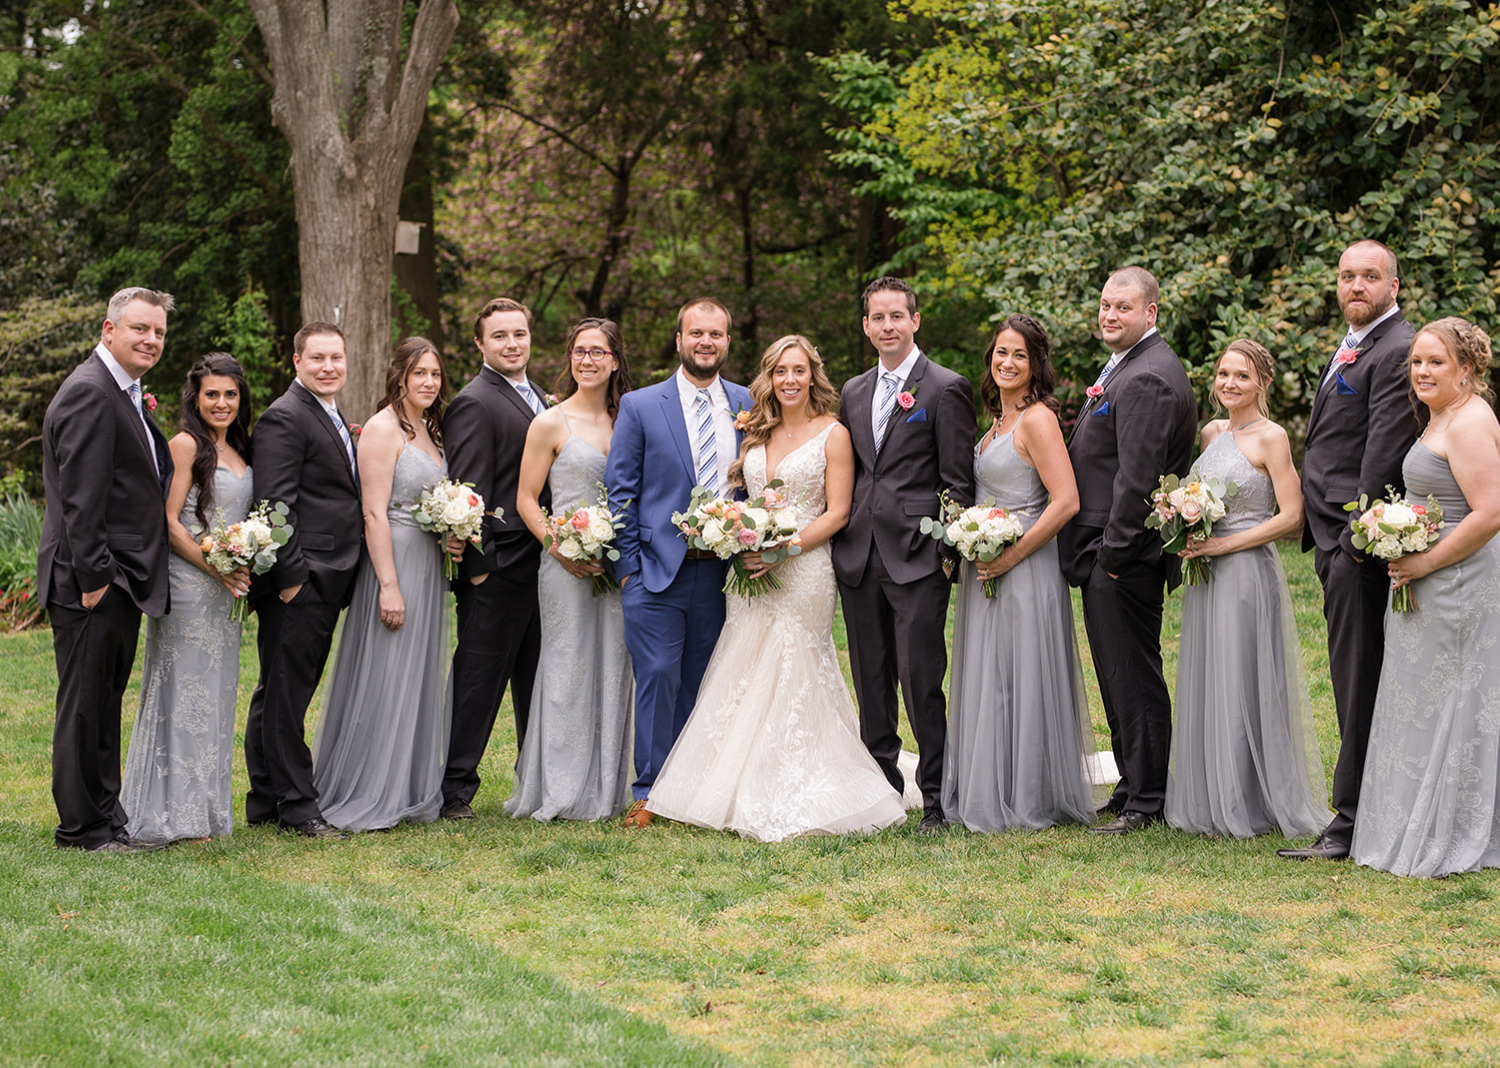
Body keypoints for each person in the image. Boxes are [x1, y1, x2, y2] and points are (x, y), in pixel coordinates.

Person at [647, 336, 906, 840]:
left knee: (793, 665)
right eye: (781, 371)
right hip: (749, 568)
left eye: (799, 371)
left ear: (813, 376)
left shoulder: (832, 433)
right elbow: (748, 498)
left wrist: (782, 549)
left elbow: (837, 512)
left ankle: (799, 781)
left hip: (804, 569)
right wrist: (736, 532)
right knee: (745, 663)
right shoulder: (755, 433)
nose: (790, 380)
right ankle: (732, 784)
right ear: (769, 377)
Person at [1279, 240, 1419, 862]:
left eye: (1369, 276)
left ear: (1395, 285)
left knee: (1358, 679)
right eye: (1346, 276)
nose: (1355, 286)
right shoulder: (1357, 343)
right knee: (1351, 677)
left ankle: (1352, 818)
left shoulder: (1396, 349)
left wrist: (1353, 545)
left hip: (1355, 542)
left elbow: (1383, 451)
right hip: (1335, 536)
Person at [1351, 318, 1500, 877]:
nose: (1422, 371)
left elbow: (1490, 512)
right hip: (1429, 580)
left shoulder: (1468, 423)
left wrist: (1425, 561)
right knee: (1426, 699)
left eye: (1436, 362)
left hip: (1459, 584)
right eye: (1416, 361)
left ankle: (1455, 831)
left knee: (1454, 700)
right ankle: (1421, 818)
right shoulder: (1444, 414)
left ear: (1466, 368)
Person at [1166, 340, 1329, 839]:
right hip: (1208, 576)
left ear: (1262, 382)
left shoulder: (1273, 437)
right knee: (1212, 675)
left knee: (1243, 676)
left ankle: (1247, 799)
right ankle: (1213, 791)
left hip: (1246, 572)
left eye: (1241, 375)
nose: (1229, 383)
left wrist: (1226, 545)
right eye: (1222, 374)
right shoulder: (1212, 431)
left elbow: (1293, 516)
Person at [831, 277, 976, 833]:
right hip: (860, 555)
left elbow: (958, 482)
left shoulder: (945, 387)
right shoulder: (854, 390)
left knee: (920, 680)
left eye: (898, 316)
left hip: (918, 558)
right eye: (877, 317)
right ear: (866, 326)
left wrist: (943, 552)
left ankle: (937, 798)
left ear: (915, 321)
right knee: (871, 679)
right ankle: (883, 789)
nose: (888, 326)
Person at [941, 315, 1095, 832]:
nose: (1008, 363)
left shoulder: (1036, 420)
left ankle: (1027, 794)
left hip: (1026, 565)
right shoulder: (996, 424)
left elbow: (1066, 500)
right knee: (994, 675)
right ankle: (994, 783)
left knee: (1022, 674)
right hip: (988, 563)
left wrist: (1013, 554)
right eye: (1001, 353)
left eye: (1020, 356)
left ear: (1036, 366)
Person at [605, 297, 753, 829]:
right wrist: (627, 569)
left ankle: (692, 792)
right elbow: (620, 491)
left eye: (716, 334)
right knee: (658, 677)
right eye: (697, 333)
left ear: (728, 342)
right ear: (679, 340)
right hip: (656, 571)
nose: (706, 342)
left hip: (722, 572)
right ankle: (648, 792)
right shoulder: (643, 405)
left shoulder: (746, 402)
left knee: (705, 679)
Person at [1059, 266, 1197, 835]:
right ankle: (1130, 784)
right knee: (1116, 674)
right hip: (1107, 551)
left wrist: (1112, 555)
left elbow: (1139, 477)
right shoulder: (1127, 366)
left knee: (1133, 675)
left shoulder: (1148, 377)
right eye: (1105, 305)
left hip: (1121, 556)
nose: (1110, 315)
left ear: (1151, 313)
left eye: (1123, 306)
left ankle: (1148, 798)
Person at [39, 287, 176, 853]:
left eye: (159, 332)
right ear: (108, 329)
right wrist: (95, 580)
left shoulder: (123, 391)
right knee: (85, 706)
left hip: (116, 577)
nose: (150, 340)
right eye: (140, 329)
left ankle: (107, 816)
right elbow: (81, 500)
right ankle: (83, 829)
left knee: (102, 703)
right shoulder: (92, 394)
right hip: (94, 579)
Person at [313, 338, 459, 831]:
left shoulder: (429, 428)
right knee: (386, 671)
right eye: (420, 373)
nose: (428, 382)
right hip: (393, 559)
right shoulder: (380, 429)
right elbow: (373, 512)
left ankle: (408, 786)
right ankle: (368, 787)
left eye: (435, 374)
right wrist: (388, 585)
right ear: (399, 375)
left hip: (427, 559)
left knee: (415, 673)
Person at [122, 353, 254, 843]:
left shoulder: (241, 449)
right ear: (195, 399)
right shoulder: (184, 444)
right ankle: (173, 815)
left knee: (216, 695)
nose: (221, 403)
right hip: (191, 584)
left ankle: (208, 810)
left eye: (230, 394)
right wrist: (214, 566)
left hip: (227, 590)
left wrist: (242, 560)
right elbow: (170, 521)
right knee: (184, 693)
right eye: (212, 394)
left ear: (241, 399)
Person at [506, 318, 635, 821]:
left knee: (613, 667)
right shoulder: (549, 422)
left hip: (617, 564)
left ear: (615, 361)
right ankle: (557, 789)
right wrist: (559, 547)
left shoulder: (631, 418)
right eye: (579, 351)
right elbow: (525, 499)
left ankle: (607, 789)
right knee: (566, 668)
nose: (587, 360)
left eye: (598, 352)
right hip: (563, 565)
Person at [244, 322, 363, 840]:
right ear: (297, 361)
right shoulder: (284, 417)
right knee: (288, 695)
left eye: (335, 357)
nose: (328, 367)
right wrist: (292, 580)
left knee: (279, 692)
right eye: (317, 358)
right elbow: (273, 504)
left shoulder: (331, 414)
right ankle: (298, 807)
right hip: (303, 580)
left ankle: (265, 798)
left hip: (327, 576)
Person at [441, 298, 549, 821]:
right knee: (479, 681)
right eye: (500, 336)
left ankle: (535, 779)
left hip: (545, 568)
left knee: (536, 678)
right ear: (480, 344)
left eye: (520, 334)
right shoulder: (474, 402)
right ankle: (453, 787)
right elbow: (468, 491)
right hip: (499, 569)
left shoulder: (542, 399)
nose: (512, 344)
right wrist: (480, 566)